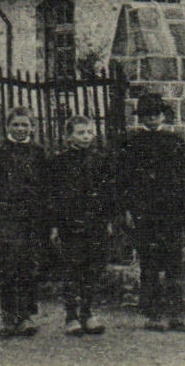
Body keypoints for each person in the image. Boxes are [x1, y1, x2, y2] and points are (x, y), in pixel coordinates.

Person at [117, 94, 185, 331]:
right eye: (147, 114)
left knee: (174, 262)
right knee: (150, 262)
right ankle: (154, 314)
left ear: (163, 115)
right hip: (145, 213)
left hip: (171, 212)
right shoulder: (132, 143)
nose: (152, 117)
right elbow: (123, 180)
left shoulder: (176, 142)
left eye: (156, 113)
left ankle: (177, 314)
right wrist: (127, 208)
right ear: (142, 117)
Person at [0, 107, 46, 338]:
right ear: (7, 127)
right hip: (6, 214)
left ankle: (25, 316)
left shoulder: (38, 152)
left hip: (31, 216)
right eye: (15, 125)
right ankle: (8, 317)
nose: (20, 129)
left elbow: (45, 184)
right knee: (7, 265)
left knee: (27, 265)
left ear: (32, 127)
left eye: (24, 125)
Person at [46, 115, 115, 336]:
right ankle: (71, 315)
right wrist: (55, 224)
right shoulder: (59, 162)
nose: (85, 137)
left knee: (92, 267)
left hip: (95, 221)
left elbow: (106, 192)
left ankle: (88, 312)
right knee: (72, 268)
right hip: (70, 222)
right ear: (68, 137)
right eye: (80, 132)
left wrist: (107, 220)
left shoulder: (100, 159)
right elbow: (53, 195)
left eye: (88, 132)